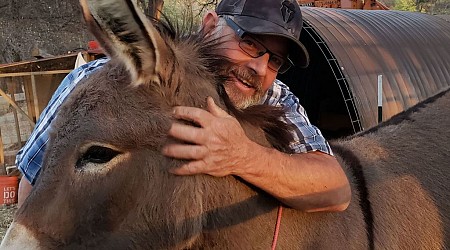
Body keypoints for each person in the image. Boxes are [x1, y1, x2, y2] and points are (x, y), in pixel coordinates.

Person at [17, 0, 351, 212]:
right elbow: (34, 178)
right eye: (249, 42)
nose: (261, 69)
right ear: (209, 25)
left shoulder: (273, 96)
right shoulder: (101, 83)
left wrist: (243, 156)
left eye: (275, 59)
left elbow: (334, 189)